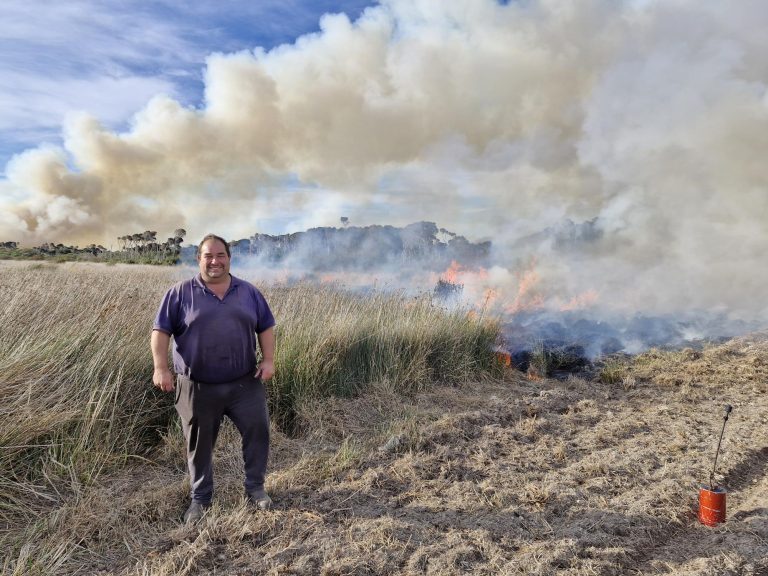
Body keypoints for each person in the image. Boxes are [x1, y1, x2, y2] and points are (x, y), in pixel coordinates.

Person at [151, 233, 276, 524]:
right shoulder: (179, 293)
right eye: (208, 256)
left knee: (258, 432)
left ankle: (256, 489)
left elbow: (266, 327)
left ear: (229, 258)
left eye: (220, 255)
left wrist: (268, 360)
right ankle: (201, 499)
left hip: (245, 382)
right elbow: (160, 332)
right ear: (199, 260)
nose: (215, 261)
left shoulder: (249, 292)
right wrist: (161, 368)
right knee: (199, 444)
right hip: (197, 386)